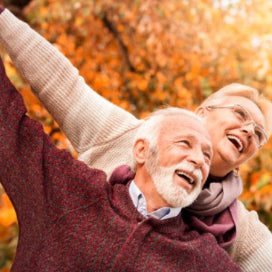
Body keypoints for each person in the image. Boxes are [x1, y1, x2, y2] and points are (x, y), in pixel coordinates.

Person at [0, 7, 271, 271]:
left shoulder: (234, 233)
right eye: (240, 113)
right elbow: (60, 85)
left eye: (259, 134)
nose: (248, 131)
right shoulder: (112, 148)